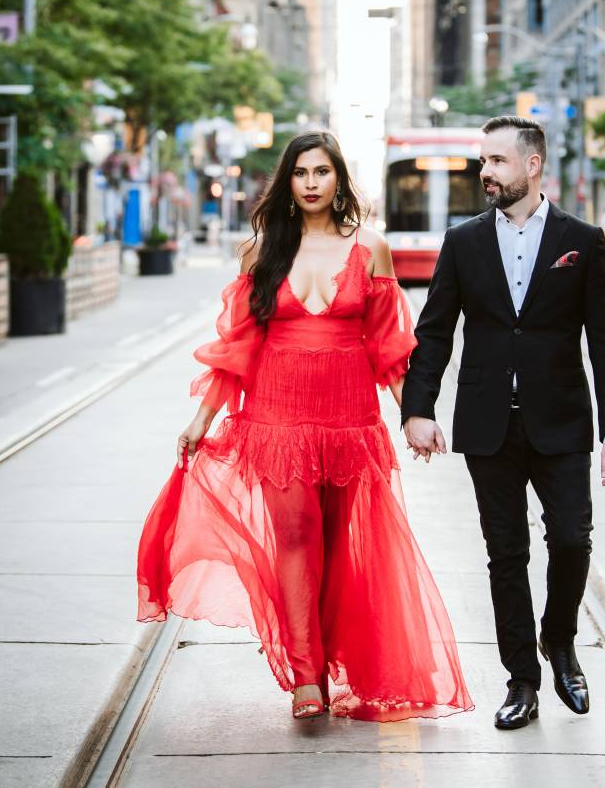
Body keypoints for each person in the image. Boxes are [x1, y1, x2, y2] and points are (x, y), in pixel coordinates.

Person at [136, 131, 472, 723]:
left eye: (322, 171)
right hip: (277, 418)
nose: (312, 182)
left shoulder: (372, 248)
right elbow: (237, 348)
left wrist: (413, 413)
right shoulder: (260, 252)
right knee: (294, 543)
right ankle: (307, 676)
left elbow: (389, 347)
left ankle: (338, 656)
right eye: (301, 173)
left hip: (350, 421)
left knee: (341, 549)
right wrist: (201, 418)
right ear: (287, 183)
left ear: (339, 179)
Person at [401, 116, 605, 730]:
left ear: (533, 166)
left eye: (498, 162)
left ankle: (559, 640)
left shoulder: (582, 240)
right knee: (505, 554)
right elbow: (435, 331)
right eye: (484, 162)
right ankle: (522, 681)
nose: (486, 173)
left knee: (572, 542)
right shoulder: (464, 241)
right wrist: (418, 409)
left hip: (560, 422)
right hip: (487, 427)